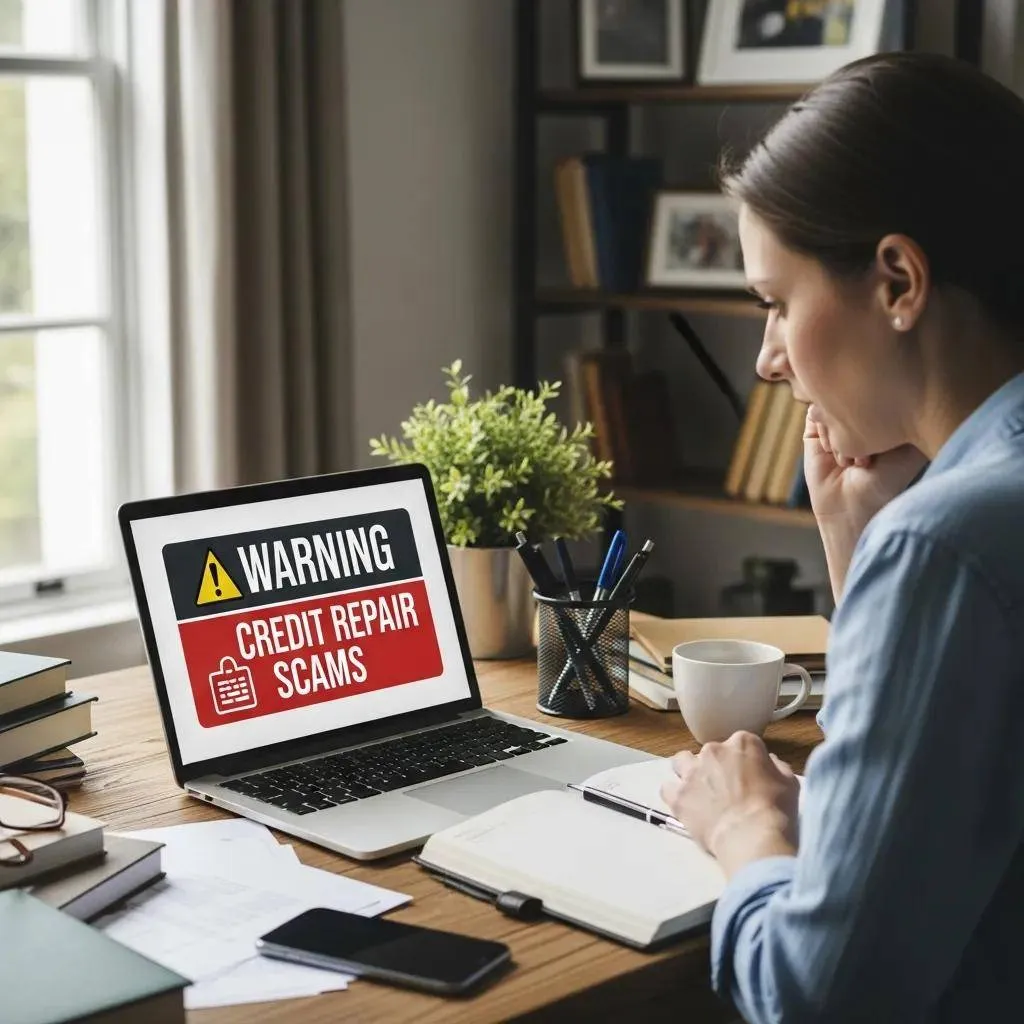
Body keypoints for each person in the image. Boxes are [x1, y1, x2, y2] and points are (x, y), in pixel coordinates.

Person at [659, 51, 1024, 1022]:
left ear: (898, 280)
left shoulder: (948, 544)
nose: (768, 360)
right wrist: (863, 556)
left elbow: (820, 996)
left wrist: (743, 827)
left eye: (777, 303)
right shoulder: (951, 532)